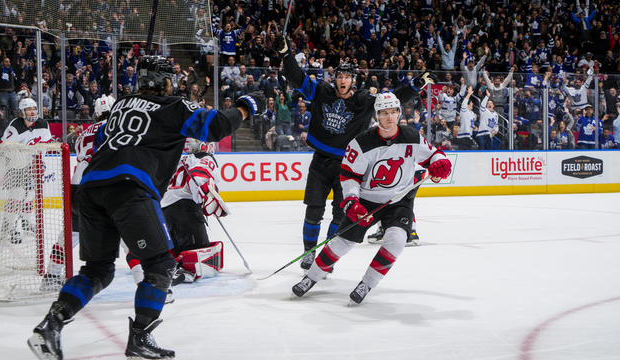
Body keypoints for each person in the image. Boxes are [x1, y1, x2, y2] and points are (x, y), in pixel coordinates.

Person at [27, 56, 265, 360]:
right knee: (162, 265)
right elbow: (216, 127)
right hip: (130, 188)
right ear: (164, 82)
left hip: (91, 187)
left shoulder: (120, 106)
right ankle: (140, 336)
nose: (175, 84)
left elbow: (99, 140)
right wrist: (245, 106)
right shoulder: (174, 106)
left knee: (97, 270)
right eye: (172, 79)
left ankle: (50, 326)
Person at [273, 34, 434, 271]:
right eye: (339, 75)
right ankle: (309, 253)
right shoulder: (321, 91)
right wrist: (285, 55)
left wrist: (414, 86)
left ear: (353, 80)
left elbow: (391, 100)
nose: (342, 80)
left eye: (346, 76)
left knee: (340, 215)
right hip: (320, 162)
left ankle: (324, 258)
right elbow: (297, 77)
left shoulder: (364, 101)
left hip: (347, 166)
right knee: (313, 210)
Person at [291, 92, 452, 304]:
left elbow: (432, 154)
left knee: (396, 240)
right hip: (367, 201)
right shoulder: (361, 143)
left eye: (393, 112)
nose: (390, 117)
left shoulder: (412, 136)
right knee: (343, 243)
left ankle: (367, 283)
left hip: (399, 200)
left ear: (399, 112)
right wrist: (351, 200)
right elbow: (349, 176)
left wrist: (439, 162)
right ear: (376, 116)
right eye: (384, 113)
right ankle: (311, 277)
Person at [126, 138, 227, 289]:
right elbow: (199, 176)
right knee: (198, 260)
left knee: (175, 254)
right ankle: (176, 276)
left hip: (164, 211)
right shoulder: (205, 157)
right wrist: (203, 197)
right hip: (186, 212)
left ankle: (152, 264)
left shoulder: (179, 160)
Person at [41, 95, 116, 290]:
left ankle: (51, 275)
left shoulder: (83, 132)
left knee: (71, 233)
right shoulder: (116, 125)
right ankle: (147, 280)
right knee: (124, 232)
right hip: (103, 181)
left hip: (78, 184)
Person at [0, 98, 53, 245]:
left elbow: (45, 145)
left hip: (33, 165)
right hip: (16, 165)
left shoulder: (43, 124)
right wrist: (8, 167)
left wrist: (41, 162)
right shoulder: (15, 126)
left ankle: (26, 222)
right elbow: (3, 147)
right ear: (22, 112)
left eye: (34, 108)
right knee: (17, 195)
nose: (32, 111)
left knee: (30, 195)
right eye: (28, 109)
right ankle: (10, 226)